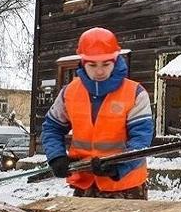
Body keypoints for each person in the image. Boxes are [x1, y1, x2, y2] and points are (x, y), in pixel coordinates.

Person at [42, 27, 153, 199]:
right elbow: (52, 128)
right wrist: (56, 156)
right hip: (84, 184)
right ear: (82, 62)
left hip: (126, 186)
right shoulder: (69, 93)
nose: (99, 71)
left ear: (115, 60)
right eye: (92, 65)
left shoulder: (135, 93)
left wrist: (119, 166)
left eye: (106, 64)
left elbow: (141, 140)